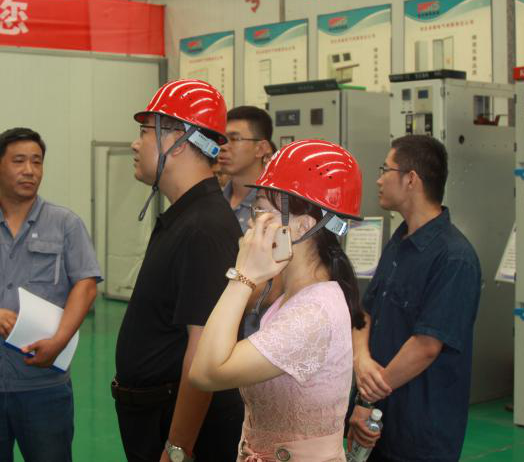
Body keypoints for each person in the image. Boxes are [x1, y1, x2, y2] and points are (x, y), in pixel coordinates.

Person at [190, 139, 366, 462]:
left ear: (302, 226)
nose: (251, 223)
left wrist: (243, 275)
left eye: (261, 210)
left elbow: (205, 372)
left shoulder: (313, 312)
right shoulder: (294, 295)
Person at [0, 127, 102, 462]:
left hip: (45, 384)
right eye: (19, 161)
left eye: (37, 162)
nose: (30, 170)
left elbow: (85, 285)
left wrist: (59, 341)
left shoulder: (65, 224)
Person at [113, 79, 244, 462]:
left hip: (177, 426)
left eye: (145, 131)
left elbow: (202, 350)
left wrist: (178, 446)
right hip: (155, 415)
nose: (135, 144)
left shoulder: (204, 228)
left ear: (179, 141)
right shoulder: (187, 216)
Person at [348, 135, 482, 462]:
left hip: (419, 429)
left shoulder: (454, 258)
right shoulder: (399, 241)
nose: (379, 179)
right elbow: (365, 312)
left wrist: (367, 399)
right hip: (379, 420)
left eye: (385, 170)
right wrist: (361, 360)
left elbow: (426, 346)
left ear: (411, 179)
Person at [218, 105, 278, 337]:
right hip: (210, 328)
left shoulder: (274, 209)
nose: (223, 146)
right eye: (222, 139)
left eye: (234, 139)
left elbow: (274, 288)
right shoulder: (215, 203)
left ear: (261, 148)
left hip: (255, 335)